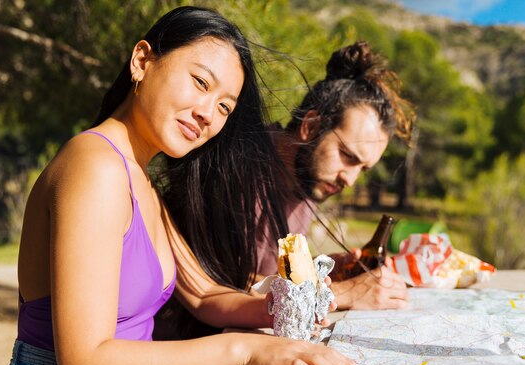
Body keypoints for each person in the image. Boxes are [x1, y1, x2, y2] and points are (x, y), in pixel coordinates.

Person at [0, 7, 359, 365]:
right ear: (142, 61)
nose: (207, 113)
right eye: (200, 82)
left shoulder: (141, 183)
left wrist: (287, 304)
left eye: (224, 107)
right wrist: (242, 348)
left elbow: (203, 294)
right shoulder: (93, 167)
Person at [155, 41, 414, 342]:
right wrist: (342, 293)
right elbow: (225, 285)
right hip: (177, 355)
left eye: (363, 168)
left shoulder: (308, 178)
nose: (351, 180)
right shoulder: (240, 168)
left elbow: (266, 276)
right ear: (311, 126)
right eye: (348, 156)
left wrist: (318, 270)